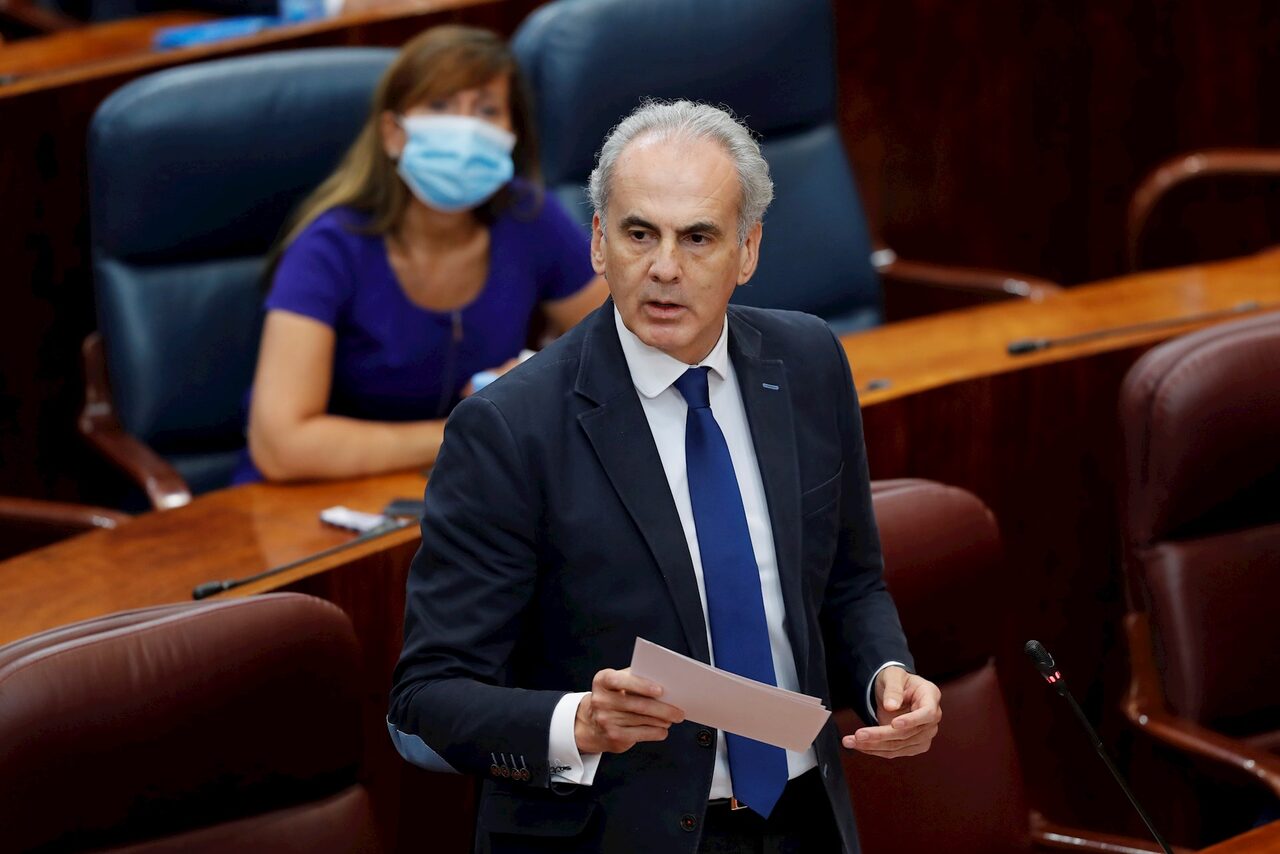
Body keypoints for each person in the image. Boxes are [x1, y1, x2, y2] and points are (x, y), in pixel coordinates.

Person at [388, 100, 941, 853]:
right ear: (596, 243)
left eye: (699, 237)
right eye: (638, 232)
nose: (664, 268)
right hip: (616, 833)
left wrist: (884, 674)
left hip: (803, 819)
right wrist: (578, 721)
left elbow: (848, 581)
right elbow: (427, 698)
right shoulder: (510, 429)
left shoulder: (808, 362)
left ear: (748, 251)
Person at [233, 25, 607, 484]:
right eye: (441, 106)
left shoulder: (528, 216)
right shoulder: (329, 247)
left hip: (468, 487)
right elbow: (282, 446)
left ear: (513, 134)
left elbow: (619, 336)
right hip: (315, 505)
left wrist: (538, 374)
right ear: (393, 134)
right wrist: (477, 423)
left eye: (487, 110)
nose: (465, 130)